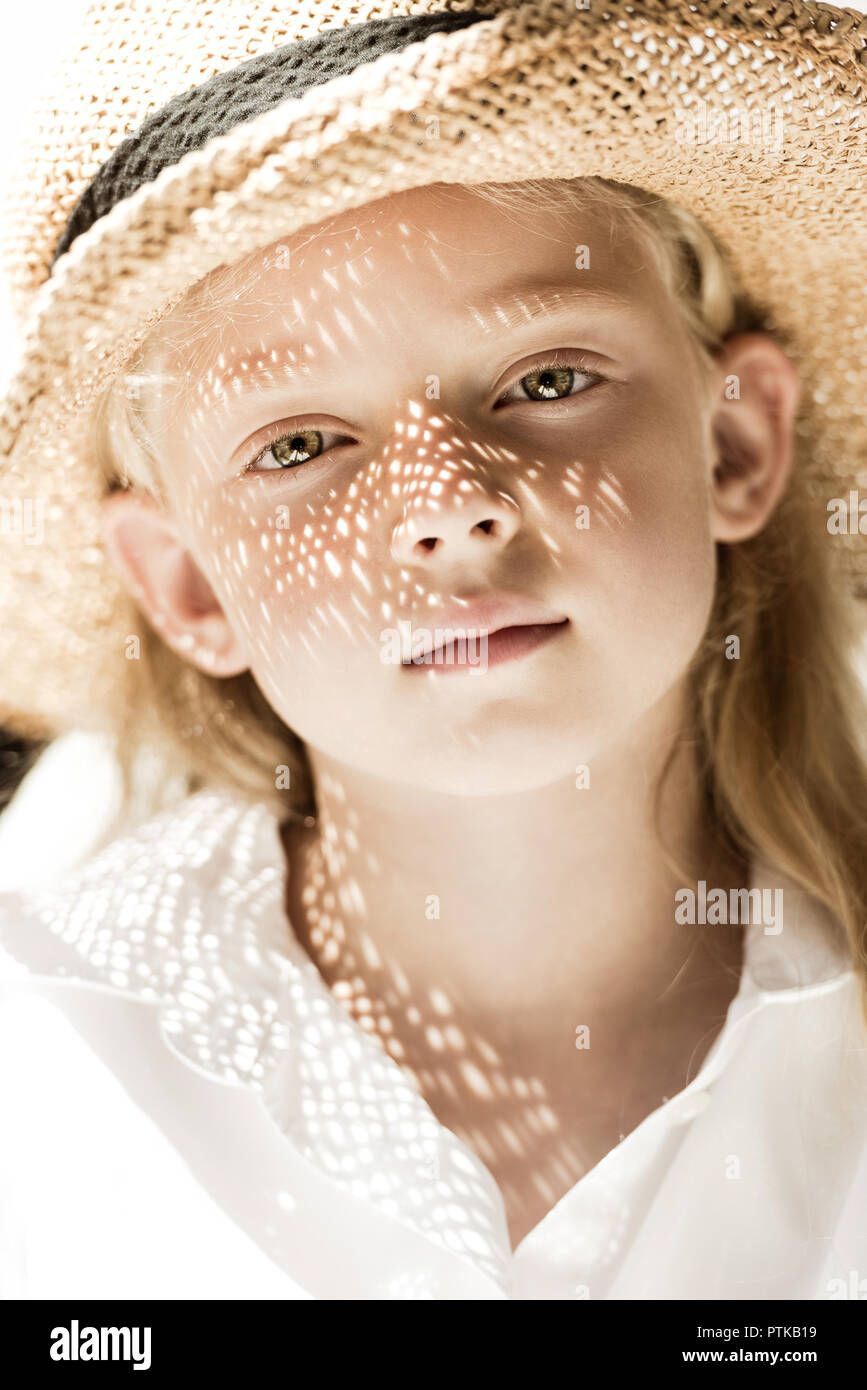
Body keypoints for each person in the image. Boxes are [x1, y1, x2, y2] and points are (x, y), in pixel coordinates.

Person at [1, 0, 866, 1300]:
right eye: (299, 445)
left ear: (735, 443)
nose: (449, 498)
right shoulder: (46, 1070)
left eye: (549, 377)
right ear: (187, 584)